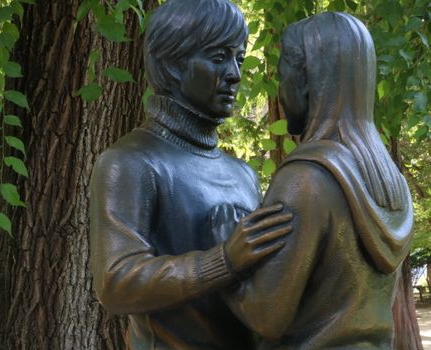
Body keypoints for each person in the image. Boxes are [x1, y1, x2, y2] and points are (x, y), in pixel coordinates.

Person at [89, 0, 292, 348]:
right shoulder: (130, 163)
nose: (235, 74)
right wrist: (224, 261)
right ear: (172, 64)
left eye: (238, 59)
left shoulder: (243, 174)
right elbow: (116, 283)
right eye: (218, 58)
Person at [215, 12, 414, 349]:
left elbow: (266, 316)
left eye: (283, 76)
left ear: (309, 80)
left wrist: (223, 251)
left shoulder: (306, 180)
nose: (279, 91)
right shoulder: (391, 182)